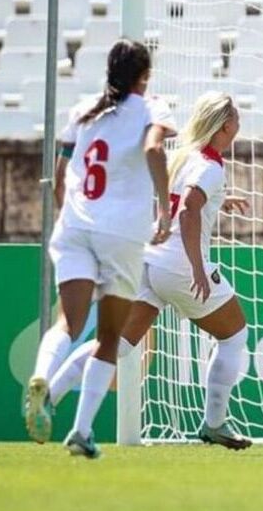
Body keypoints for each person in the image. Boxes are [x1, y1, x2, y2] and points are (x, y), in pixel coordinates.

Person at [24, 40, 175, 454]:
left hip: (74, 224)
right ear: (144, 77)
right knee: (110, 336)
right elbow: (153, 149)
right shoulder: (151, 108)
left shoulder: (83, 110)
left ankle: (40, 377)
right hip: (121, 232)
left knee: (67, 324)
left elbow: (59, 176)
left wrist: (71, 218)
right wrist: (163, 209)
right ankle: (82, 432)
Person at [107, 92, 253, 452]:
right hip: (179, 265)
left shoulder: (186, 156)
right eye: (235, 116)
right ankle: (214, 425)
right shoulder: (210, 166)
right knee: (234, 335)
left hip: (151, 259)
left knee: (121, 345)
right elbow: (188, 210)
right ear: (224, 125)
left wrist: (220, 201)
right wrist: (199, 268)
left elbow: (182, 197)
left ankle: (53, 383)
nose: (239, 122)